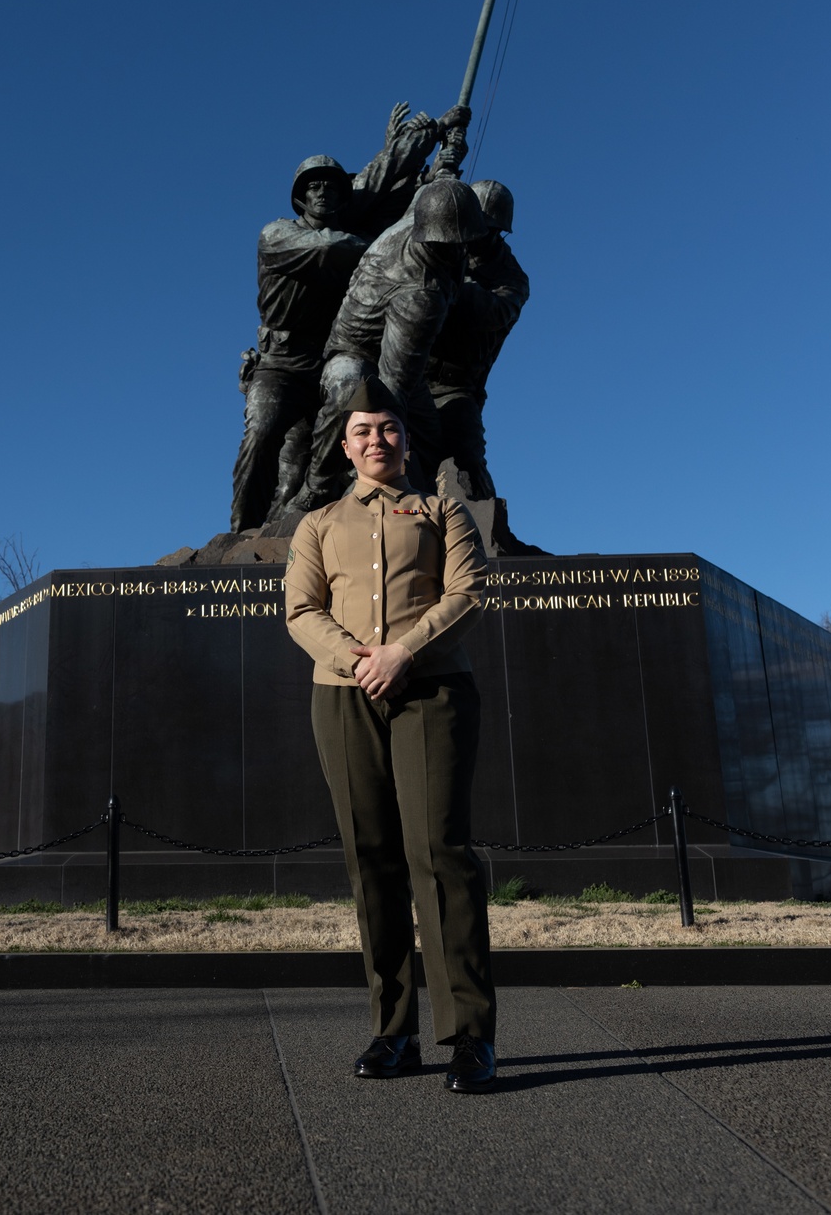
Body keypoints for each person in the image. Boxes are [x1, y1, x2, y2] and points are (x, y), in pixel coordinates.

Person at [284, 375, 497, 1093]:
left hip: (432, 692)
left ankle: (470, 1035)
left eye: (389, 428)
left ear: (406, 438)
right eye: (364, 431)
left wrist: (403, 652)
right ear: (346, 447)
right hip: (344, 700)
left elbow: (468, 592)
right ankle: (393, 1030)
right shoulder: (317, 524)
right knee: (370, 860)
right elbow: (300, 610)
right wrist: (357, 660)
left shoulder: (443, 512)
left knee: (439, 854)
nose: (378, 439)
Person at [230, 106, 441, 533]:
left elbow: (377, 181)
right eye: (313, 186)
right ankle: (242, 530)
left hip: (328, 356)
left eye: (330, 185)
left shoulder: (350, 214)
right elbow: (330, 248)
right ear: (299, 197)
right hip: (282, 364)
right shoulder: (277, 235)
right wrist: (384, 246)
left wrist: (429, 136)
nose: (322, 191)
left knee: (360, 421)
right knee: (263, 432)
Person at [288, 173, 486, 510]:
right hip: (354, 351)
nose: (462, 248)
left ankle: (447, 505)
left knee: (432, 436)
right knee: (351, 393)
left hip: (401, 357)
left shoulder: (418, 212)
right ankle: (317, 488)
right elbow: (391, 390)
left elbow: (431, 189)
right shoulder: (422, 294)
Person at [427, 179, 529, 499]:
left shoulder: (511, 278)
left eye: (480, 227)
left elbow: (493, 313)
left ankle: (482, 532)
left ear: (497, 231)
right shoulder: (444, 244)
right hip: (411, 370)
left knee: (467, 458)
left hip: (456, 385)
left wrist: (451, 282)